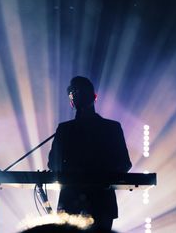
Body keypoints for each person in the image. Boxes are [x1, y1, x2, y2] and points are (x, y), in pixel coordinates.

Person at [48, 76, 132, 231]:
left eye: (77, 93)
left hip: (72, 201)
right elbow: (124, 163)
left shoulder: (65, 129)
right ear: (94, 97)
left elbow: (53, 164)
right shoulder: (111, 128)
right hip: (101, 202)